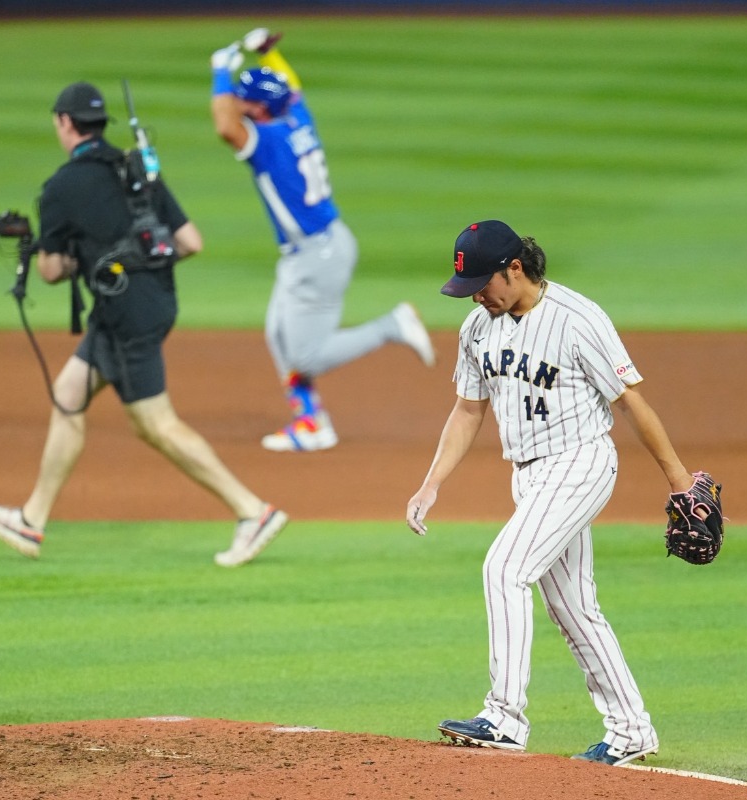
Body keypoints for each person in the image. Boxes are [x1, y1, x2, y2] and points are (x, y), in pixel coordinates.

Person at [405, 220, 710, 766]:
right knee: (574, 609)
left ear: (514, 269)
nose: (476, 294)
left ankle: (503, 716)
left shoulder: (578, 320)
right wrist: (433, 482)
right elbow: (468, 409)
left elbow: (631, 402)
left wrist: (680, 480)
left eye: (483, 282)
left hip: (582, 463)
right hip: (529, 477)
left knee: (504, 568)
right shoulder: (477, 328)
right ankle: (630, 730)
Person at [0, 81, 288, 569]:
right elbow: (190, 242)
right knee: (70, 394)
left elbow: (53, 272)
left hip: (123, 315)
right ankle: (31, 519)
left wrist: (38, 246)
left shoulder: (60, 188)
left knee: (156, 425)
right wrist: (133, 267)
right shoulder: (137, 166)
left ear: (64, 123)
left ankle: (253, 511)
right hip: (153, 303)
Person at [209, 28, 436, 453]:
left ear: (258, 109)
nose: (236, 102)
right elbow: (291, 89)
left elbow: (224, 126)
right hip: (316, 249)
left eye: (243, 97)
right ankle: (311, 422)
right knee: (278, 333)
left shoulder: (266, 142)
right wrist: (270, 55)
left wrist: (221, 70)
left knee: (306, 356)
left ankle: (391, 326)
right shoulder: (297, 119)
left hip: (317, 256)